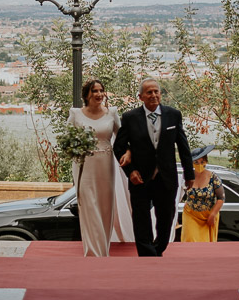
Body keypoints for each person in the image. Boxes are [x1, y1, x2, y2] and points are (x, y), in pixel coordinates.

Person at [113, 78, 194, 256]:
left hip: (166, 176)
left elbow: (183, 146)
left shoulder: (173, 114)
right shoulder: (130, 117)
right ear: (140, 96)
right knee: (141, 218)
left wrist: (190, 175)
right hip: (140, 177)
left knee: (166, 217)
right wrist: (130, 171)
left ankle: (158, 249)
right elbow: (118, 147)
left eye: (156, 91)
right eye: (149, 92)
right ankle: (147, 254)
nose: (154, 95)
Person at [68, 79, 134, 256]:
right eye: (94, 91)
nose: (99, 94)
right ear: (86, 95)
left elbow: (122, 138)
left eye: (101, 90)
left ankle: (103, 250)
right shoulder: (75, 114)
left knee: (105, 208)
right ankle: (92, 252)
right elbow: (67, 140)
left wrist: (128, 152)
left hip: (106, 165)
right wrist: (76, 149)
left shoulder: (112, 113)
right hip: (84, 166)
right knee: (89, 208)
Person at [180, 145, 223, 242]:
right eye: (196, 162)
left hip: (208, 216)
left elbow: (221, 198)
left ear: (206, 161)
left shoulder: (213, 177)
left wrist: (213, 215)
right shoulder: (186, 177)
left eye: (202, 162)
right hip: (191, 214)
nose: (199, 164)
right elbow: (177, 194)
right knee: (190, 241)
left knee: (206, 247)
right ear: (192, 163)